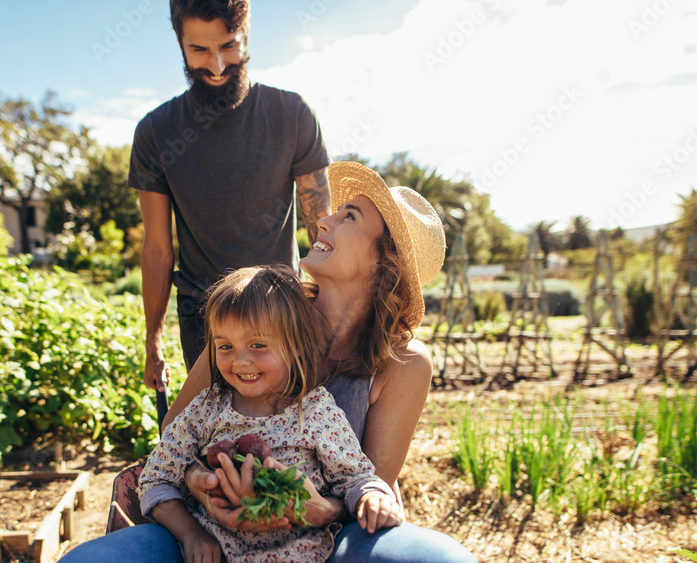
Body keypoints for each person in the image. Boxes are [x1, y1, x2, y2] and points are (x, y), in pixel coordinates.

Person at [58, 162, 477, 562]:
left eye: (348, 217)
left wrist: (314, 510)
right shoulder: (262, 307)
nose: (324, 221)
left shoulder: (402, 361)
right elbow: (177, 432)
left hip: (320, 542)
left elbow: (369, 488)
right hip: (208, 529)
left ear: (383, 260)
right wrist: (204, 489)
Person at [137, 265, 403, 563]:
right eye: (225, 346)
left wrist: (372, 496)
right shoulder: (206, 409)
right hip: (217, 552)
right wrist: (191, 535)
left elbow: (353, 478)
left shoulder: (315, 411)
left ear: (297, 346)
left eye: (258, 345)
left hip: (301, 555)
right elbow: (155, 478)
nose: (240, 361)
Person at [132, 0, 332, 393]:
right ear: (178, 40)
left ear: (247, 32)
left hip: (281, 311)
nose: (217, 66)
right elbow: (157, 249)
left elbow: (321, 228)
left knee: (287, 443)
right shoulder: (156, 132)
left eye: (229, 45)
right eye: (199, 50)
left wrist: (333, 313)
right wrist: (152, 341)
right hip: (203, 320)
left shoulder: (291, 114)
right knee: (217, 445)